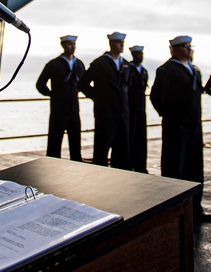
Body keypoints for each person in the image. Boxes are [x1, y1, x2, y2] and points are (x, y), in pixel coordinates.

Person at [150, 36, 211, 222]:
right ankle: (173, 210)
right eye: (186, 47)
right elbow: (156, 96)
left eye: (190, 46)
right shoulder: (167, 70)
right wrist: (170, 117)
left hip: (194, 125)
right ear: (176, 49)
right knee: (175, 168)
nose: (190, 49)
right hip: (177, 127)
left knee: (195, 169)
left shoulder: (193, 69)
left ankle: (195, 207)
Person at [79, 31, 133, 169]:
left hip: (123, 114)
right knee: (102, 149)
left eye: (122, 42)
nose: (122, 45)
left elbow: (129, 87)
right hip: (106, 114)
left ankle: (122, 176)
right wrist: (98, 98)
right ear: (111, 44)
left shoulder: (126, 65)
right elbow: (83, 84)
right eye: (118, 42)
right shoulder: (100, 63)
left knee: (123, 151)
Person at [36, 34, 86, 161]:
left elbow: (83, 83)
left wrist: (76, 91)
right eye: (69, 44)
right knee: (54, 143)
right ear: (63, 45)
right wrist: (53, 94)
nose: (72, 47)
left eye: (74, 44)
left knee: (76, 145)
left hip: (74, 110)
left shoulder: (79, 64)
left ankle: (77, 167)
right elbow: (40, 84)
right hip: (58, 110)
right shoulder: (54, 64)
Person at [127, 44, 151, 171]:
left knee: (141, 139)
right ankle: (130, 163)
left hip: (141, 108)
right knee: (130, 138)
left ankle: (141, 165)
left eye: (141, 54)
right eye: (137, 54)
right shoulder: (128, 69)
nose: (139, 56)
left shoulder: (144, 71)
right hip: (130, 108)